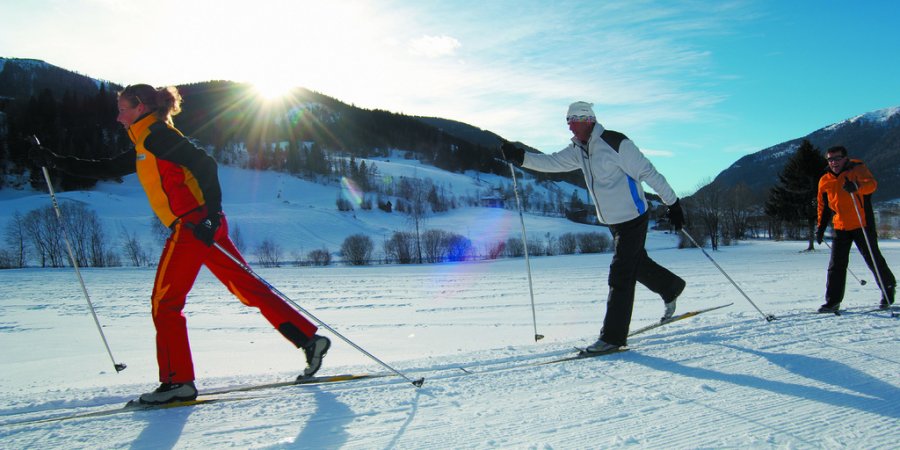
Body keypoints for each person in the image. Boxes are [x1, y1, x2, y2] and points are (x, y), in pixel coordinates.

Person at [29, 84, 331, 404]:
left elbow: (206, 164)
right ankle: (309, 340)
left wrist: (210, 216)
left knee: (165, 303)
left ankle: (177, 383)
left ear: (141, 107)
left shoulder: (158, 136)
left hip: (193, 226)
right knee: (247, 287)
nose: (118, 117)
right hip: (204, 225)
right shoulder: (146, 141)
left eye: (122, 109)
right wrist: (53, 160)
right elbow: (104, 168)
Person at [500, 101, 686, 353]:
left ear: (587, 120)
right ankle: (670, 287)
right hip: (613, 220)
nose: (570, 127)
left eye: (573, 121)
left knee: (620, 273)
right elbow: (552, 163)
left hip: (633, 216)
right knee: (635, 264)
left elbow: (648, 173)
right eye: (567, 122)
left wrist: (673, 203)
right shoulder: (579, 149)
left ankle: (613, 337)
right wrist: (521, 158)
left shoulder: (617, 143)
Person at [815, 145, 895, 312]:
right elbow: (823, 206)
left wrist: (857, 186)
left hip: (862, 224)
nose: (833, 162)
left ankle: (888, 288)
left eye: (837, 158)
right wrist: (821, 228)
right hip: (840, 226)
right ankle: (832, 301)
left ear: (845, 158)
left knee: (872, 259)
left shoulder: (857, 169)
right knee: (836, 265)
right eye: (830, 159)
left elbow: (871, 184)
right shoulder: (825, 180)